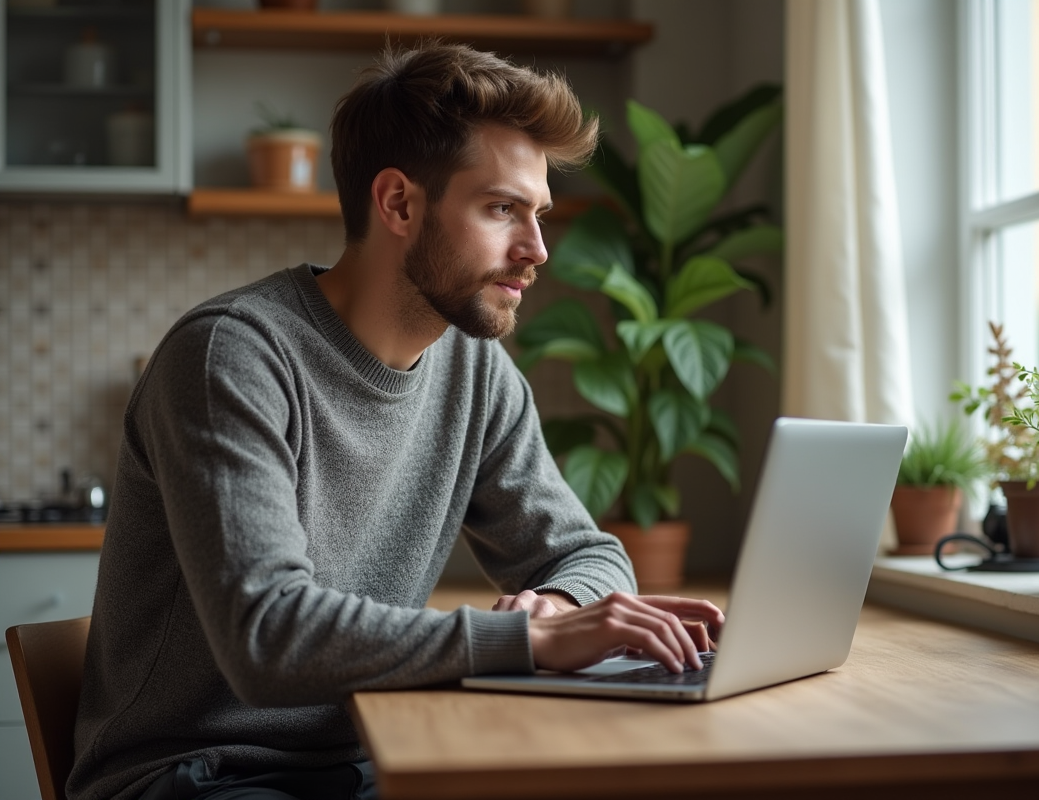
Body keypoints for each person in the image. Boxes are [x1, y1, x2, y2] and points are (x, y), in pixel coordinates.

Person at [67, 41, 724, 800]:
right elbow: (266, 637)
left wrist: (561, 606)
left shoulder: (475, 373)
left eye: (537, 214)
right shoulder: (232, 357)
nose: (537, 250)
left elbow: (588, 554)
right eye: (502, 208)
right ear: (400, 204)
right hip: (193, 776)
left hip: (366, 759)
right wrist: (522, 640)